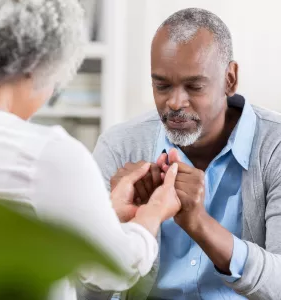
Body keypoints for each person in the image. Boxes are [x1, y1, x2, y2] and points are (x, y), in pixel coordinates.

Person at [0, 1, 183, 300]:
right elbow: (114, 266)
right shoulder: (47, 153)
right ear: (36, 67)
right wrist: (154, 213)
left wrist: (102, 214)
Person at [91, 8, 281, 300]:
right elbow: (79, 291)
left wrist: (199, 223)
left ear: (230, 79)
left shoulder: (275, 146)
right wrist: (120, 230)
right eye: (162, 86)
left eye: (194, 86)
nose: (175, 103)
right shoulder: (119, 147)